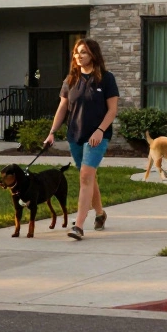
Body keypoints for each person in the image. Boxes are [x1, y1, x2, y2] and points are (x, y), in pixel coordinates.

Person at [45, 38, 119, 239]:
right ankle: (100, 214)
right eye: (77, 52)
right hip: (75, 135)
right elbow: (62, 108)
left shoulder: (106, 78)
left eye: (84, 52)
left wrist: (100, 131)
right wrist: (52, 132)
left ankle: (78, 226)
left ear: (93, 55)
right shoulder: (71, 79)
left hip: (97, 136)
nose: (79, 56)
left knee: (86, 176)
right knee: (88, 176)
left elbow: (112, 110)